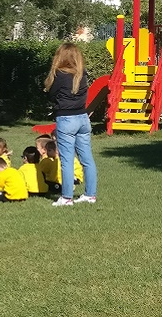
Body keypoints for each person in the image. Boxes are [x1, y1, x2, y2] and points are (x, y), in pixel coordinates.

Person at [44, 42, 98, 207]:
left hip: (66, 119)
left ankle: (67, 197)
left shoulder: (60, 75)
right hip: (82, 118)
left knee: (67, 160)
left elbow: (51, 95)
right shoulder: (82, 74)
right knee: (87, 159)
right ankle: (90, 194)